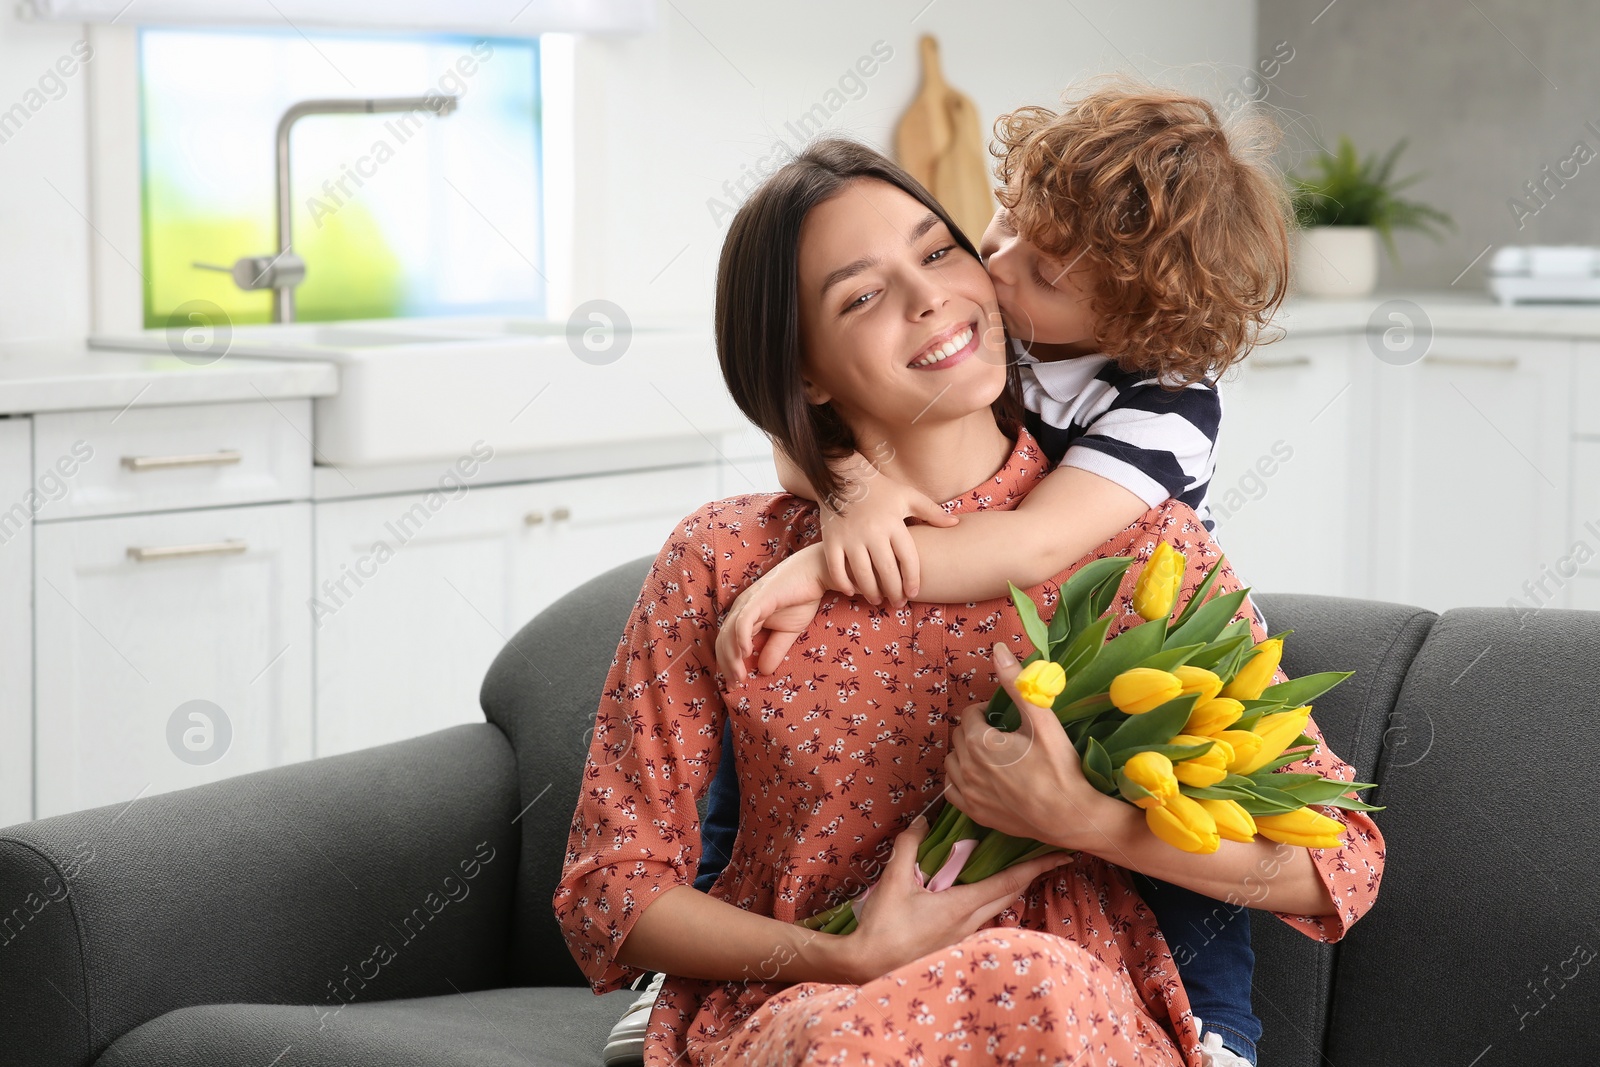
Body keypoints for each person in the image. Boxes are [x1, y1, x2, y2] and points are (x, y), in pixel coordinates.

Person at [556, 137, 1384, 1067]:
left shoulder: (1141, 546)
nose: (931, 297)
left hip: (1079, 1011)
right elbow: (609, 894)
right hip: (802, 1017)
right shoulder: (724, 557)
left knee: (1030, 978)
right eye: (861, 295)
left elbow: (1339, 864)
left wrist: (1080, 817)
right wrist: (845, 952)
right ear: (808, 370)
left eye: (938, 251)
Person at [701, 83, 1292, 1066]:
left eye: (1045, 270)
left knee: (1176, 827)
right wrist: (848, 489)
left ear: (1140, 315)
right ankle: (697, 968)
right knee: (763, 723)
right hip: (1014, 634)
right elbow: (802, 425)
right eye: (1007, 220)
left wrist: (826, 564)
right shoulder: (1001, 323)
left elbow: (1028, 545)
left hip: (1135, 650)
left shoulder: (1165, 400)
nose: (1000, 267)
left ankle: (1214, 1027)